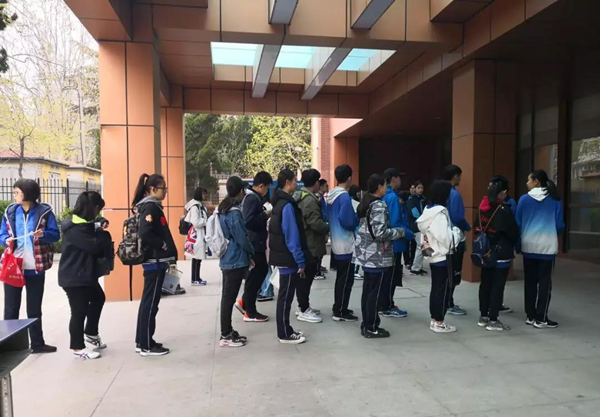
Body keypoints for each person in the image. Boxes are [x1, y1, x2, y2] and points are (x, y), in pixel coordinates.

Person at [1, 179, 60, 354]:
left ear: (27, 193)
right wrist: (5, 239)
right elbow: (2, 233)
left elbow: (55, 235)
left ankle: (37, 344)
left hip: (36, 267)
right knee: (11, 308)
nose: (14, 195)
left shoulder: (45, 212)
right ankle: (8, 347)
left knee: (34, 308)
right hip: (13, 266)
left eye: (17, 192)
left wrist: (43, 234)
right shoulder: (10, 211)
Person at [59, 192, 113, 359]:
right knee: (78, 311)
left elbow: (91, 226)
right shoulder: (76, 229)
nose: (98, 213)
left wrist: (99, 222)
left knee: (98, 298)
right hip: (74, 277)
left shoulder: (79, 222)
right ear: (93, 208)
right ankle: (78, 347)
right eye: (98, 210)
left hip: (83, 274)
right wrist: (103, 234)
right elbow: (95, 246)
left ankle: (90, 332)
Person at [354, 174, 405, 339]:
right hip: (377, 256)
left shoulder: (366, 202)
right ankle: (371, 327)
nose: (386, 187)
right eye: (384, 185)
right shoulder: (378, 206)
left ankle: (368, 324)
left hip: (367, 255)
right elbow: (380, 233)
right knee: (374, 294)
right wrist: (400, 232)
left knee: (368, 292)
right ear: (379, 187)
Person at [133, 174, 177, 357]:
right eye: (163, 188)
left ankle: (143, 341)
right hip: (154, 262)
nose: (165, 192)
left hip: (156, 262)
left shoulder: (151, 205)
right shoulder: (150, 206)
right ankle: (146, 345)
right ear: (152, 189)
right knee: (150, 304)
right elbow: (145, 233)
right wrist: (163, 245)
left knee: (149, 302)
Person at [516, 169, 564, 329]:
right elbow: (559, 225)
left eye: (529, 180)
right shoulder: (555, 199)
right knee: (544, 283)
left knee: (530, 282)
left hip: (529, 246)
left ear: (536, 181)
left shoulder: (524, 199)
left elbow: (518, 222)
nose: (527, 183)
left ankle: (530, 315)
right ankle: (541, 317)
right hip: (547, 247)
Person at [269, 169, 310, 344]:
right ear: (287, 182)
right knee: (285, 297)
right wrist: (300, 259)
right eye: (294, 180)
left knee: (285, 296)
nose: (296, 183)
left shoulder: (279, 203)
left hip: (282, 255)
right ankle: (284, 333)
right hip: (287, 257)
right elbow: (291, 235)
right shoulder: (286, 206)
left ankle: (286, 329)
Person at [475, 178, 520, 331]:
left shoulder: (482, 208)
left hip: (485, 252)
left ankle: (483, 316)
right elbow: (513, 231)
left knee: (485, 283)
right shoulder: (503, 210)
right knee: (497, 286)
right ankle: (493, 319)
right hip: (501, 252)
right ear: (503, 192)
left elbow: (476, 227)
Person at [417, 180, 461, 333]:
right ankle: (439, 321)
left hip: (432, 255)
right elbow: (446, 239)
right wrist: (457, 232)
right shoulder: (440, 213)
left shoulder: (428, 210)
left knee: (436, 288)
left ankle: (435, 319)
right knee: (442, 290)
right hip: (442, 256)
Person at [218, 176, 255, 347]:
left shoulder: (222, 208)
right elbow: (241, 237)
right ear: (240, 191)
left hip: (227, 257)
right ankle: (225, 334)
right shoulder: (233, 212)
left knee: (227, 296)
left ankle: (227, 330)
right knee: (229, 298)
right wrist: (251, 250)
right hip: (235, 259)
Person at [235, 171, 273, 321]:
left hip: (257, 241)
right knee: (258, 273)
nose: (267, 190)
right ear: (261, 185)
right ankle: (249, 310)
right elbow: (249, 221)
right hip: (255, 242)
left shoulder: (253, 197)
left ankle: (245, 302)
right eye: (267, 187)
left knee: (257, 273)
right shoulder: (252, 198)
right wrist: (266, 214)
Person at [294, 169, 329, 324]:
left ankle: (304, 306)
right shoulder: (309, 200)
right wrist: (327, 227)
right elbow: (315, 223)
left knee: (306, 278)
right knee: (306, 279)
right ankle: (303, 309)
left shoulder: (302, 196)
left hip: (307, 242)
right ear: (315, 183)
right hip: (310, 244)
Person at [326, 165, 359, 322]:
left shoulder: (331, 195)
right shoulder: (344, 197)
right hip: (346, 242)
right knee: (346, 279)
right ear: (349, 178)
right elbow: (348, 221)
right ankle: (340, 310)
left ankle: (339, 306)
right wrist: (356, 218)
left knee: (341, 278)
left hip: (336, 241)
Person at [380, 168, 414, 319]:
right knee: (391, 276)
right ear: (393, 178)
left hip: (386, 243)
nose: (401, 180)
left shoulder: (385, 195)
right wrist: (409, 234)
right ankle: (386, 306)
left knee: (387, 275)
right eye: (399, 177)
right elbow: (395, 223)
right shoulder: (392, 197)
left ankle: (385, 304)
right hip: (394, 243)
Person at [442, 165, 470, 316]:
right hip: (455, 238)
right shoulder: (454, 195)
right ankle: (449, 302)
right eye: (459, 176)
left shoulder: (440, 192)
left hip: (442, 237)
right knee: (454, 272)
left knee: (445, 273)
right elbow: (458, 217)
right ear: (455, 176)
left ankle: (445, 301)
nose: (460, 179)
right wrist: (468, 226)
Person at [184, 187, 209, 286]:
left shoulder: (199, 205)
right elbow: (196, 222)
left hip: (198, 234)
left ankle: (197, 278)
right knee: (196, 257)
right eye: (204, 193)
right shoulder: (195, 207)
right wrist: (206, 221)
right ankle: (194, 279)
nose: (205, 196)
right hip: (197, 234)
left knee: (198, 258)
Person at [407, 181, 427, 276]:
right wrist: (423, 218)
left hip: (422, 225)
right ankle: (415, 268)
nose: (420, 190)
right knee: (420, 246)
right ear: (414, 188)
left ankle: (418, 267)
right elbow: (414, 213)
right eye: (418, 188)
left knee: (422, 246)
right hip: (416, 225)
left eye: (422, 188)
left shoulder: (423, 199)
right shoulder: (411, 199)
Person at [349, 185, 363, 280]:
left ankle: (354, 270)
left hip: (354, 229)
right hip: (357, 229)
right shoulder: (355, 203)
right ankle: (355, 271)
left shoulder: (349, 201)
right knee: (357, 250)